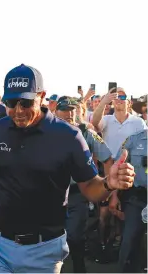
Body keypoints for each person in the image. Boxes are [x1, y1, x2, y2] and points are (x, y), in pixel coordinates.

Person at [0, 64, 136, 273]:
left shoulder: (68, 136)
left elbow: (89, 186)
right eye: (12, 103)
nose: (19, 110)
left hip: (44, 251)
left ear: (41, 96)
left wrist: (108, 183)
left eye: (26, 102)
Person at [55, 96, 114, 272]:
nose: (69, 113)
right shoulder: (47, 133)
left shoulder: (86, 133)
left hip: (78, 193)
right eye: (64, 109)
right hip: (52, 194)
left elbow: (108, 158)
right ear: (56, 111)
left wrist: (109, 186)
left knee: (75, 237)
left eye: (73, 109)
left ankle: (79, 268)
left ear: (79, 111)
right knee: (54, 238)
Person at [111, 129, 147, 272]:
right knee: (128, 242)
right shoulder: (134, 139)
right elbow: (118, 168)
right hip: (138, 199)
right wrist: (114, 196)